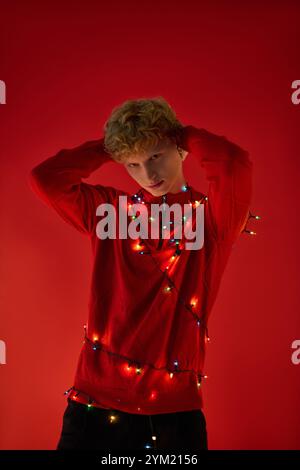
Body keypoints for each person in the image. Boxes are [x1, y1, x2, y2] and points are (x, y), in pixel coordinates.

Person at [29, 96, 253, 450]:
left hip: (171, 414)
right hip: (93, 405)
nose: (148, 174)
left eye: (155, 156)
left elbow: (233, 163)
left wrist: (183, 134)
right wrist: (112, 146)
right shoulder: (108, 211)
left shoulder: (212, 221)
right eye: (132, 164)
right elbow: (45, 178)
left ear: (179, 150)